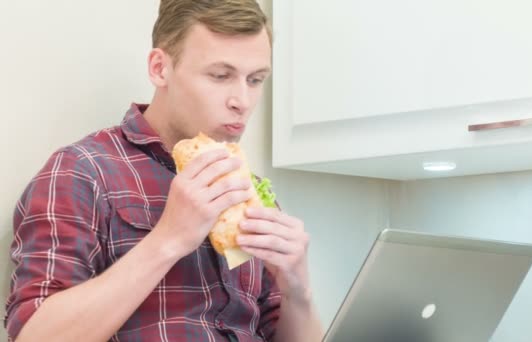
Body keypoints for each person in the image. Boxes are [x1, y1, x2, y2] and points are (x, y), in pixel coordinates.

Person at [4, 1, 323, 341]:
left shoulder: (251, 189)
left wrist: (298, 291)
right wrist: (168, 240)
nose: (242, 101)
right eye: (220, 75)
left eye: (256, 79)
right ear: (159, 68)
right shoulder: (83, 172)